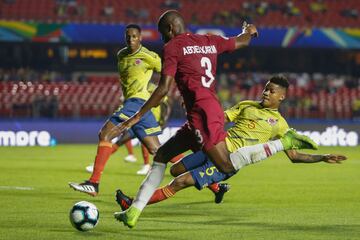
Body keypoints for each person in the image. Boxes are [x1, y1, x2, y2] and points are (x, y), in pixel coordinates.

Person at [110, 9, 261, 228]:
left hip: (203, 113)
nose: (162, 38)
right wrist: (249, 31)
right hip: (201, 111)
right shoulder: (209, 40)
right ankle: (133, 211)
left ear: (170, 29)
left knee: (226, 166)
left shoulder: (172, 47)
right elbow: (241, 42)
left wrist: (136, 117)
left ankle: (273, 146)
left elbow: (163, 88)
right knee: (161, 155)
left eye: (163, 33)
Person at [114, 76, 347, 210]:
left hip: (229, 161)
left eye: (272, 91)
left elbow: (294, 156)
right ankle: (217, 188)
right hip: (216, 146)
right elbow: (219, 118)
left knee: (179, 181)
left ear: (281, 97)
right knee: (176, 168)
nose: (266, 93)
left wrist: (322, 157)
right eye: (266, 88)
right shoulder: (247, 105)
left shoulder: (280, 124)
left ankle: (133, 205)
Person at [68, 24, 163, 196]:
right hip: (136, 105)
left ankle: (94, 182)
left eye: (134, 36)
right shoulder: (121, 55)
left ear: (140, 38)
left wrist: (161, 95)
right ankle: (213, 184)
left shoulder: (149, 56)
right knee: (159, 151)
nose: (131, 39)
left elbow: (168, 74)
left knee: (105, 134)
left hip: (137, 102)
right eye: (128, 36)